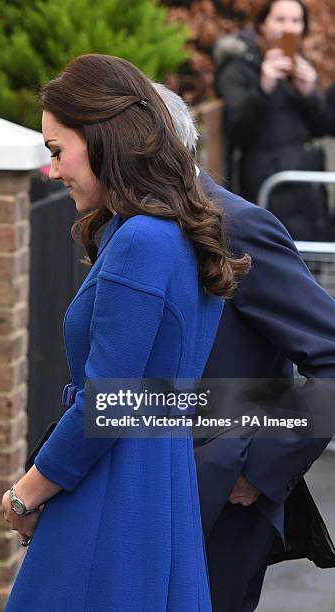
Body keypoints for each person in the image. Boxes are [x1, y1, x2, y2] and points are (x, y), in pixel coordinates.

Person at [1, 54, 249, 611]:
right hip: (155, 487)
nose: (53, 171)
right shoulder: (167, 230)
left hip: (114, 496)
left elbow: (108, 404)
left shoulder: (142, 240)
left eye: (57, 152)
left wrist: (27, 492)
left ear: (103, 139)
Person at [154, 82, 335, 611]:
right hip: (155, 491)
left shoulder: (239, 227)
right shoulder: (129, 231)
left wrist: (255, 468)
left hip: (226, 504)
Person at [214, 0, 333, 241]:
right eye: (280, 20)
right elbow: (237, 129)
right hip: (265, 194)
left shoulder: (301, 68)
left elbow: (325, 126)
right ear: (262, 25)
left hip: (308, 196)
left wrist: (308, 93)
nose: (289, 28)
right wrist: (263, 89)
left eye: (296, 21)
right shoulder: (239, 66)